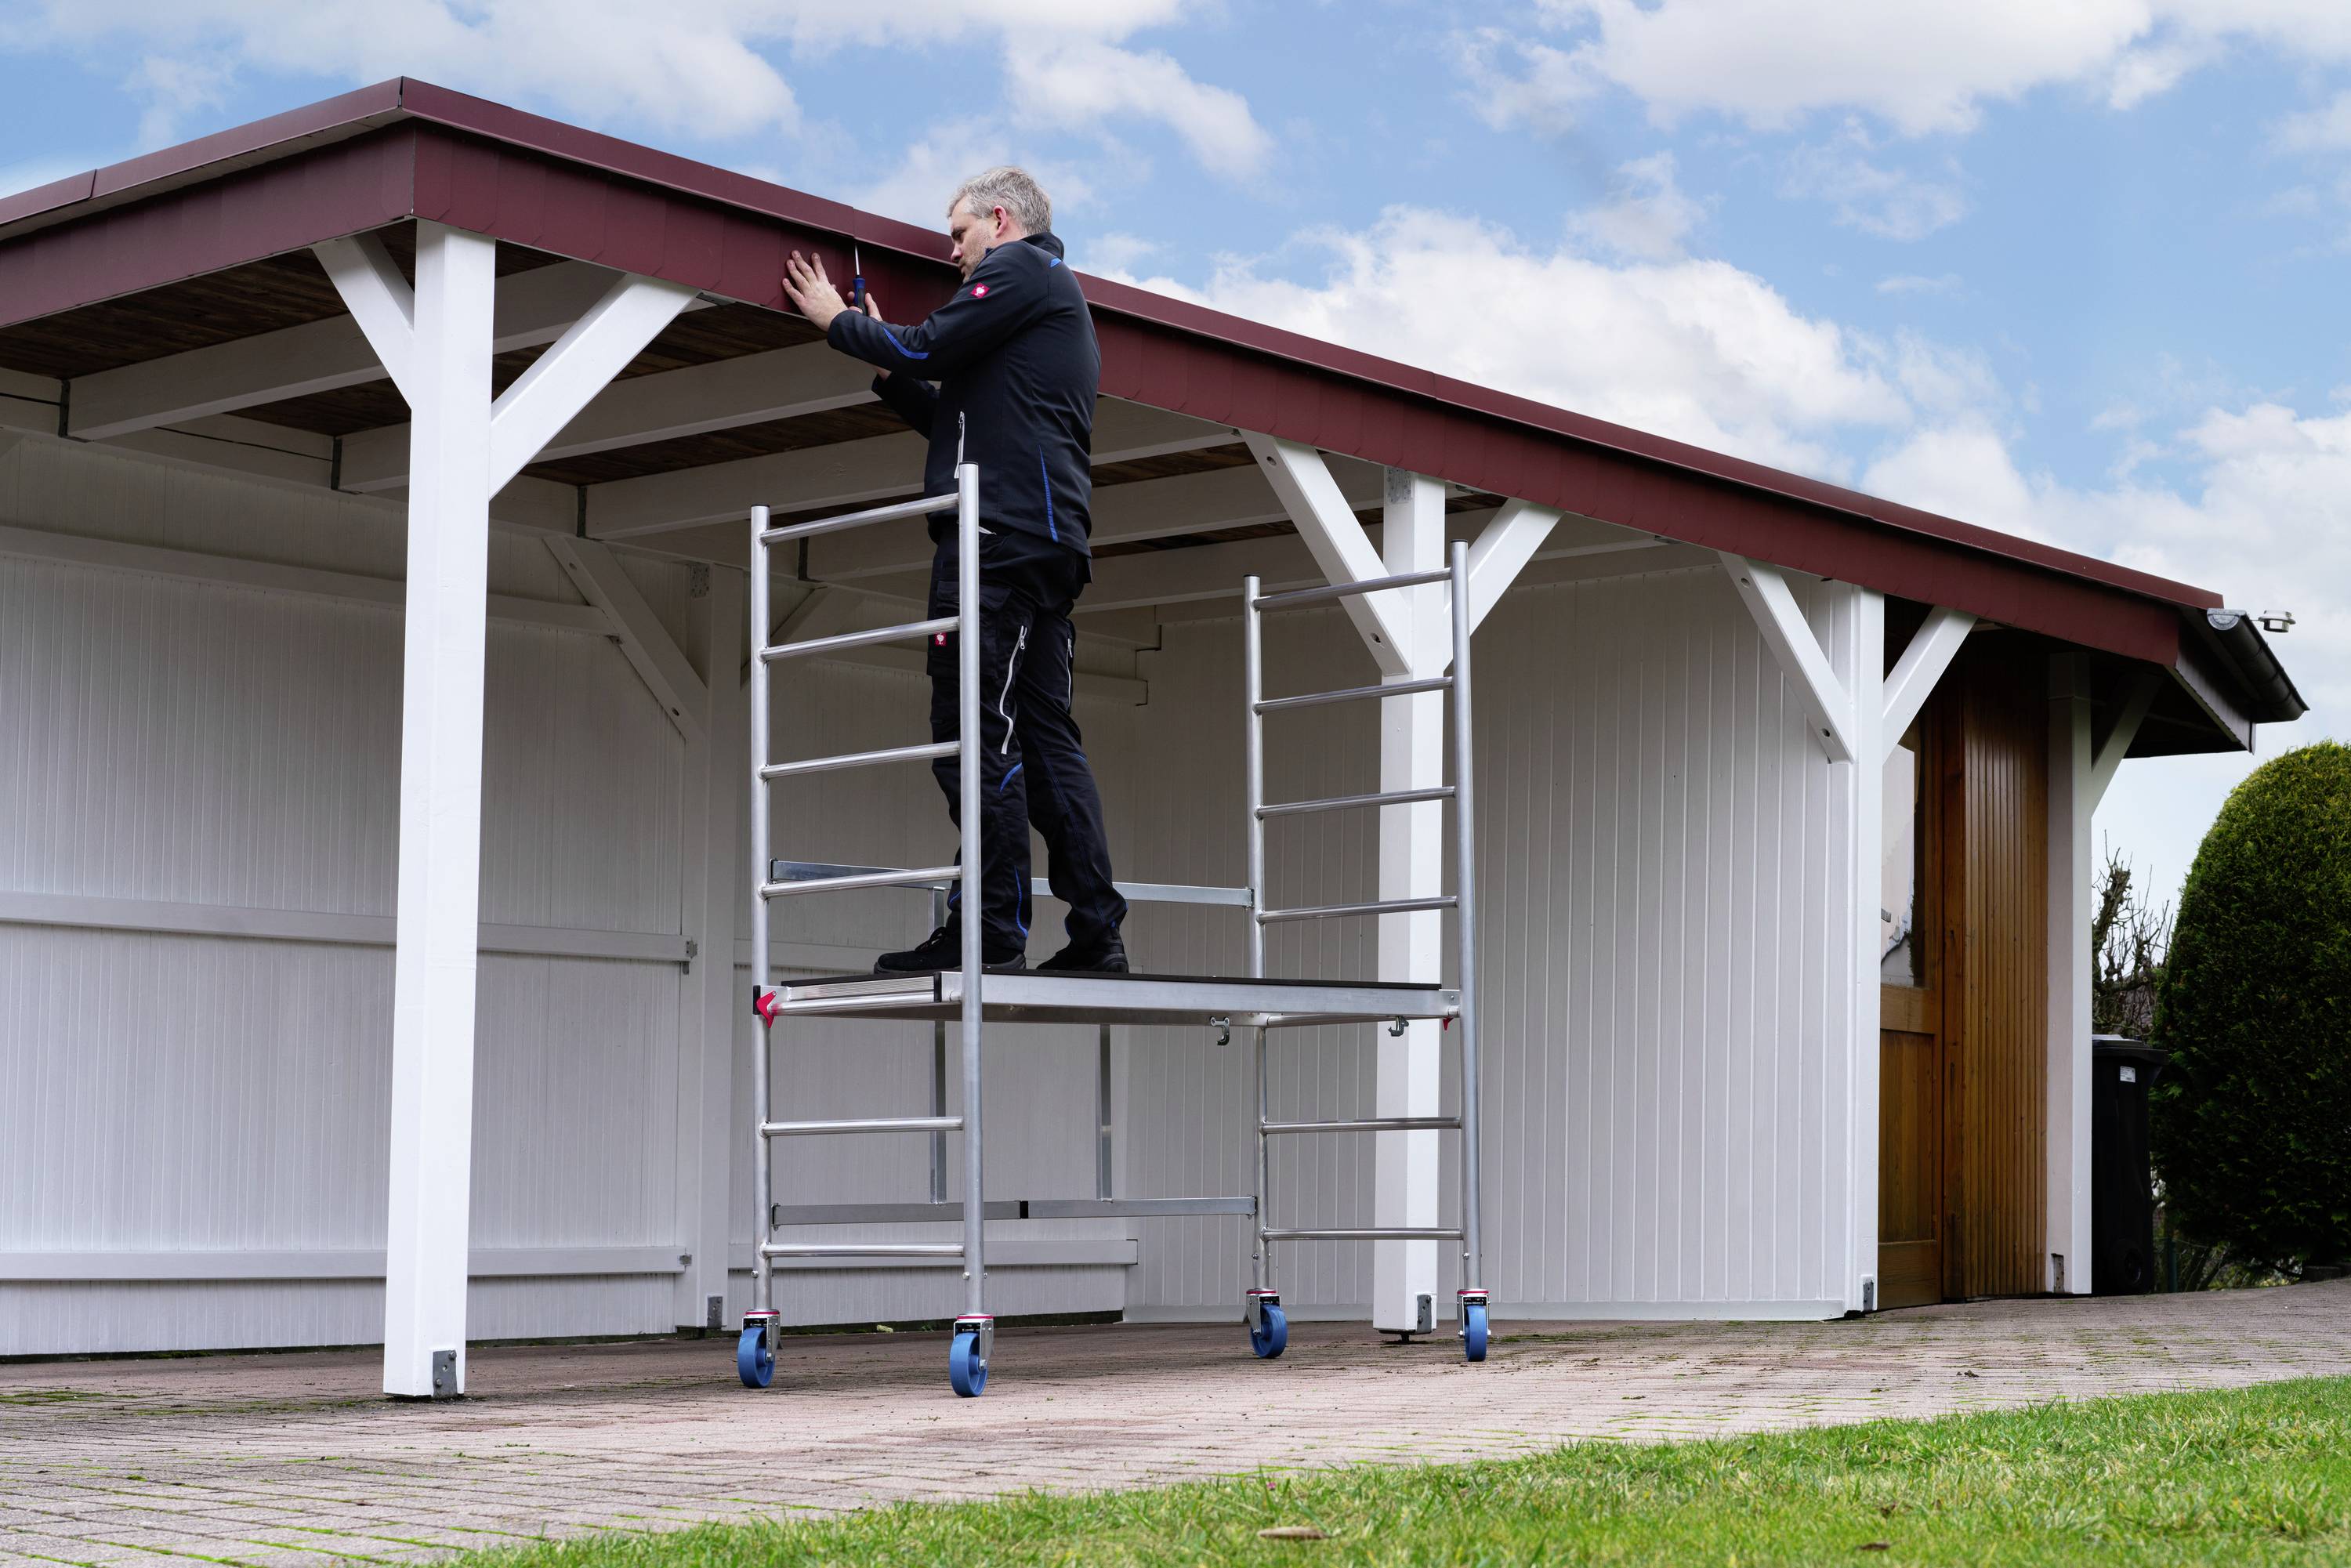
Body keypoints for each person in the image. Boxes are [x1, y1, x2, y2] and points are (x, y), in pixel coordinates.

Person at [781, 168, 1129, 975]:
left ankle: (990, 930)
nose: (953, 255)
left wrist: (838, 322)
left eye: (958, 234)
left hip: (993, 541)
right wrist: (882, 367)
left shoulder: (1019, 268)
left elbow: (927, 343)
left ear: (1000, 221)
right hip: (1041, 541)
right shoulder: (1043, 303)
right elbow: (953, 412)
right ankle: (1096, 936)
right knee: (1044, 741)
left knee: (975, 734)